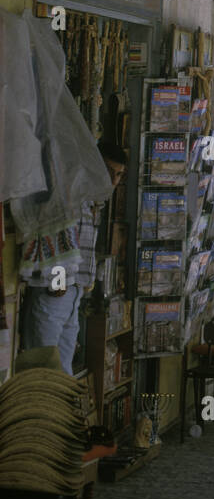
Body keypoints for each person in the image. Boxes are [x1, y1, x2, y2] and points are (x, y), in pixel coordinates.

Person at [19, 142, 127, 375]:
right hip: (55, 292)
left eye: (118, 175)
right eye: (109, 171)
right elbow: (54, 235)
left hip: (73, 293)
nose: (114, 180)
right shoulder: (71, 195)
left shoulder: (94, 202)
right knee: (45, 367)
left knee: (63, 370)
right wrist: (57, 282)